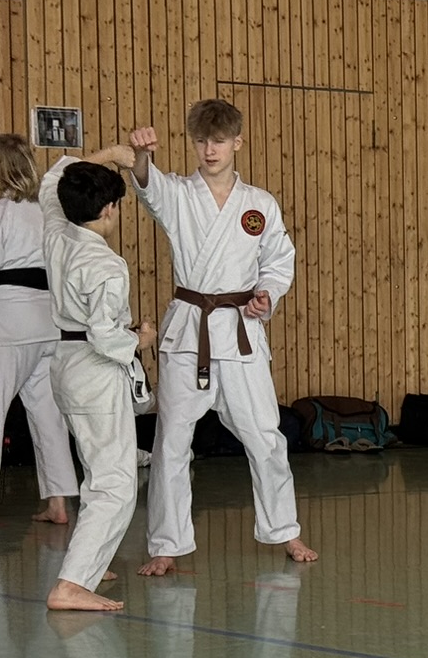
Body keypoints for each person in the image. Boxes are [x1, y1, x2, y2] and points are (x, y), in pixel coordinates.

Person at [128, 105, 313, 575]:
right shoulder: (178, 193)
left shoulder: (259, 204)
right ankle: (167, 543)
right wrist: (142, 156)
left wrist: (266, 295)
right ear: (193, 143)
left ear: (237, 143)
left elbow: (279, 261)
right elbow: (148, 187)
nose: (209, 150)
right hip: (190, 331)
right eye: (201, 141)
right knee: (172, 442)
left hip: (240, 332)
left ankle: (284, 529)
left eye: (219, 141)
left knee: (266, 436)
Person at [39, 148, 152, 612]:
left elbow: (52, 182)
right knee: (115, 482)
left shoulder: (56, 232)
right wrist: (141, 340)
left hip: (65, 363)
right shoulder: (106, 265)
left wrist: (108, 156)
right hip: (94, 370)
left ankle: (89, 561)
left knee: (96, 470)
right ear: (108, 209)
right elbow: (106, 336)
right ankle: (71, 585)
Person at [0, 134, 81, 524]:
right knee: (48, 416)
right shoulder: (47, 210)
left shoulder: (1, 211)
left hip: (8, 323)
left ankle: (58, 503)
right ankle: (58, 503)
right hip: (49, 321)